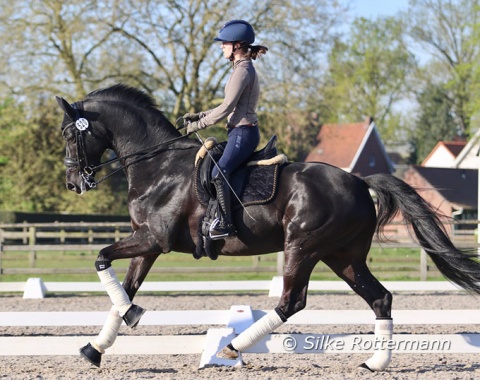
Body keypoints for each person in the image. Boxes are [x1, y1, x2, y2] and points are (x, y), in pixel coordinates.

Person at [183, 20, 268, 240]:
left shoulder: (243, 71)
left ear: (237, 45)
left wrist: (197, 125)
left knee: (218, 173)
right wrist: (200, 115)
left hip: (243, 133)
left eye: (225, 43)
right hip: (238, 132)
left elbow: (227, 108)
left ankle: (225, 223)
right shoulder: (240, 69)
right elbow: (227, 105)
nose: (221, 47)